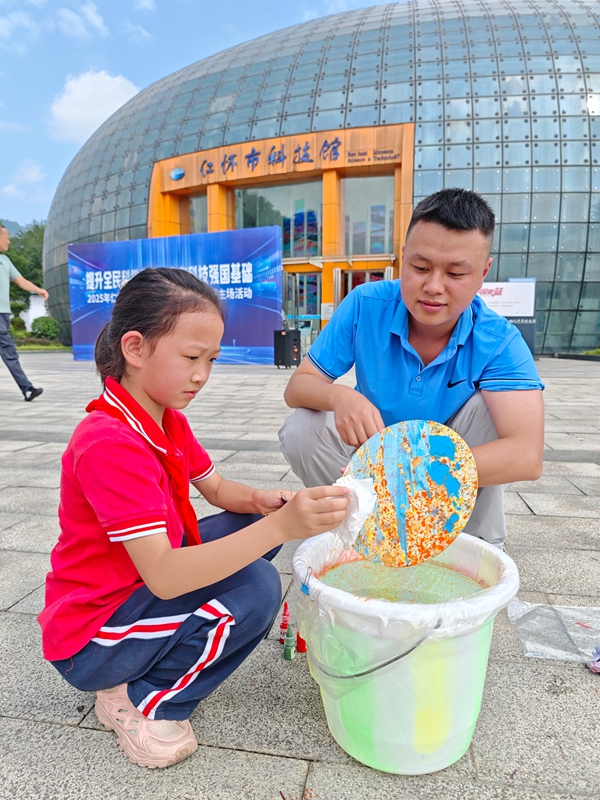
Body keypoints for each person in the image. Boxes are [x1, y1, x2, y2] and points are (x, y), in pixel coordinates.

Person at [38, 267, 349, 769]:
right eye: (191, 358)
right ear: (135, 349)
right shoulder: (108, 443)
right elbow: (163, 575)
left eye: (211, 360)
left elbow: (218, 489)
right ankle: (145, 701)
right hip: (92, 637)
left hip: (132, 590)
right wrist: (283, 529)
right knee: (258, 589)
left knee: (251, 533)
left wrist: (270, 504)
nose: (202, 374)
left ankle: (151, 663)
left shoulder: (164, 419)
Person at [279, 188, 545, 550]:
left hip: (442, 462)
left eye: (455, 273)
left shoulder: (499, 340)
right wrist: (339, 395)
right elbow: (297, 387)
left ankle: (473, 543)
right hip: (375, 449)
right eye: (420, 268)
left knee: (490, 409)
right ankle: (362, 525)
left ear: (483, 273)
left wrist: (412, 470)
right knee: (302, 427)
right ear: (403, 259)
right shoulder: (365, 305)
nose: (433, 287)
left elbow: (526, 456)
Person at [0, 223, 47, 400]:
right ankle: (27, 388)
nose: (9, 241)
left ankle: (27, 388)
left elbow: (21, 281)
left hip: (3, 315)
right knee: (9, 351)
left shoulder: (5, 261)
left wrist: (38, 289)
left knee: (9, 351)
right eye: (6, 237)